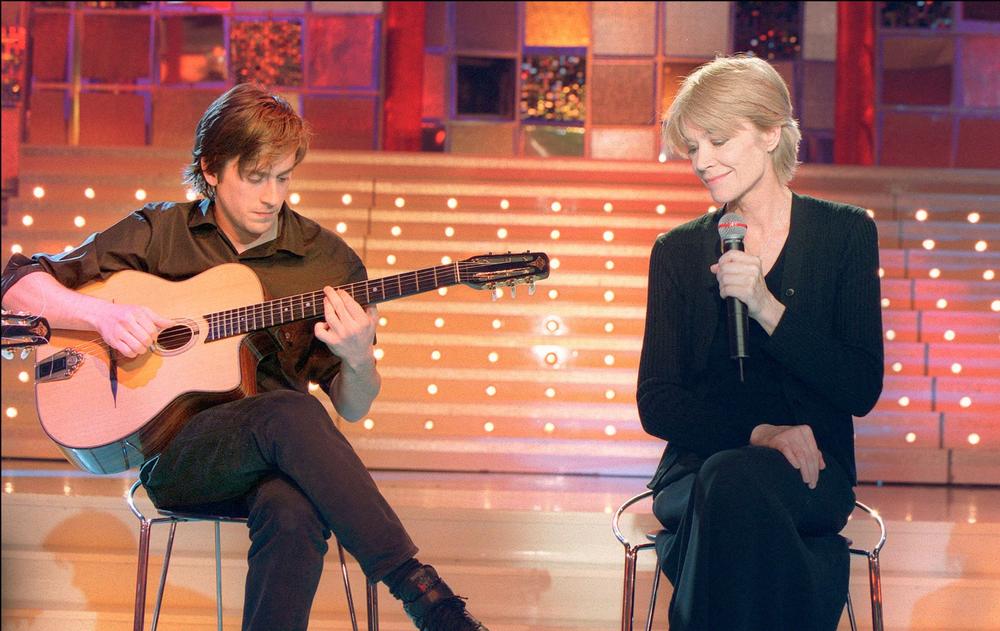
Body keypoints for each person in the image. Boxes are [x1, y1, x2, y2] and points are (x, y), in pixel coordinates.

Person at [1, 83, 488, 631]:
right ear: (210, 168)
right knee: (292, 410)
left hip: (282, 460)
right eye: (255, 177)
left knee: (295, 510)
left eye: (283, 178)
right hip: (178, 456)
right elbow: (17, 285)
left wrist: (358, 359)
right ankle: (425, 597)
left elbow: (353, 407)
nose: (271, 196)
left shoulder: (327, 262)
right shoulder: (160, 232)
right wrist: (103, 318)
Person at [637, 54, 884, 630]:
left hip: (811, 474)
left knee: (736, 502)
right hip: (696, 472)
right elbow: (658, 402)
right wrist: (760, 434)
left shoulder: (845, 234)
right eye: (692, 147)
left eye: (718, 140)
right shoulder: (676, 251)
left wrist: (769, 308)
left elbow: (859, 386)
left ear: (772, 132)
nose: (702, 162)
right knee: (730, 481)